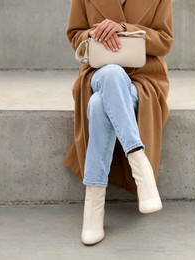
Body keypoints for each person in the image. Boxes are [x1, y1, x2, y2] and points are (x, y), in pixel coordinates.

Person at [64, 0, 173, 245]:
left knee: (98, 105)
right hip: (99, 71)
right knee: (113, 73)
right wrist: (92, 33)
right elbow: (74, 35)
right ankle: (140, 167)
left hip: (144, 78)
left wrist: (125, 29)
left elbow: (165, 40)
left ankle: (93, 206)